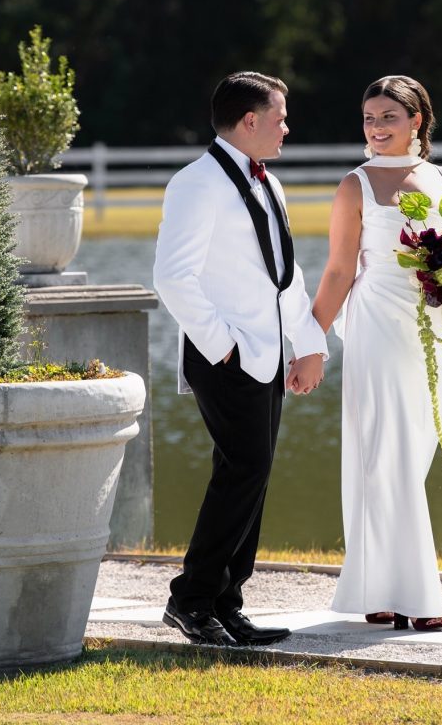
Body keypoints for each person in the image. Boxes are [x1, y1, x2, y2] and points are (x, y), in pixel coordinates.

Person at [153, 71, 328, 646]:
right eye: (279, 116)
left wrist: (307, 345)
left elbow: (285, 278)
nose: (286, 127)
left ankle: (226, 602)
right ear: (249, 121)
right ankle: (192, 600)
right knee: (243, 470)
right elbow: (171, 277)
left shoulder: (267, 183)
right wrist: (222, 345)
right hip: (225, 354)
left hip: (268, 352)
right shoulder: (196, 183)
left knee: (252, 474)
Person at [308, 74, 442, 631]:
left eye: (388, 118)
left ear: (416, 121)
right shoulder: (354, 185)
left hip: (435, 327)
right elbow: (337, 270)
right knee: (384, 453)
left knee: (412, 452)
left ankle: (375, 585)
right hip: (377, 325)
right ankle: (418, 597)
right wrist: (309, 342)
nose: (376, 128)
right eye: (369, 119)